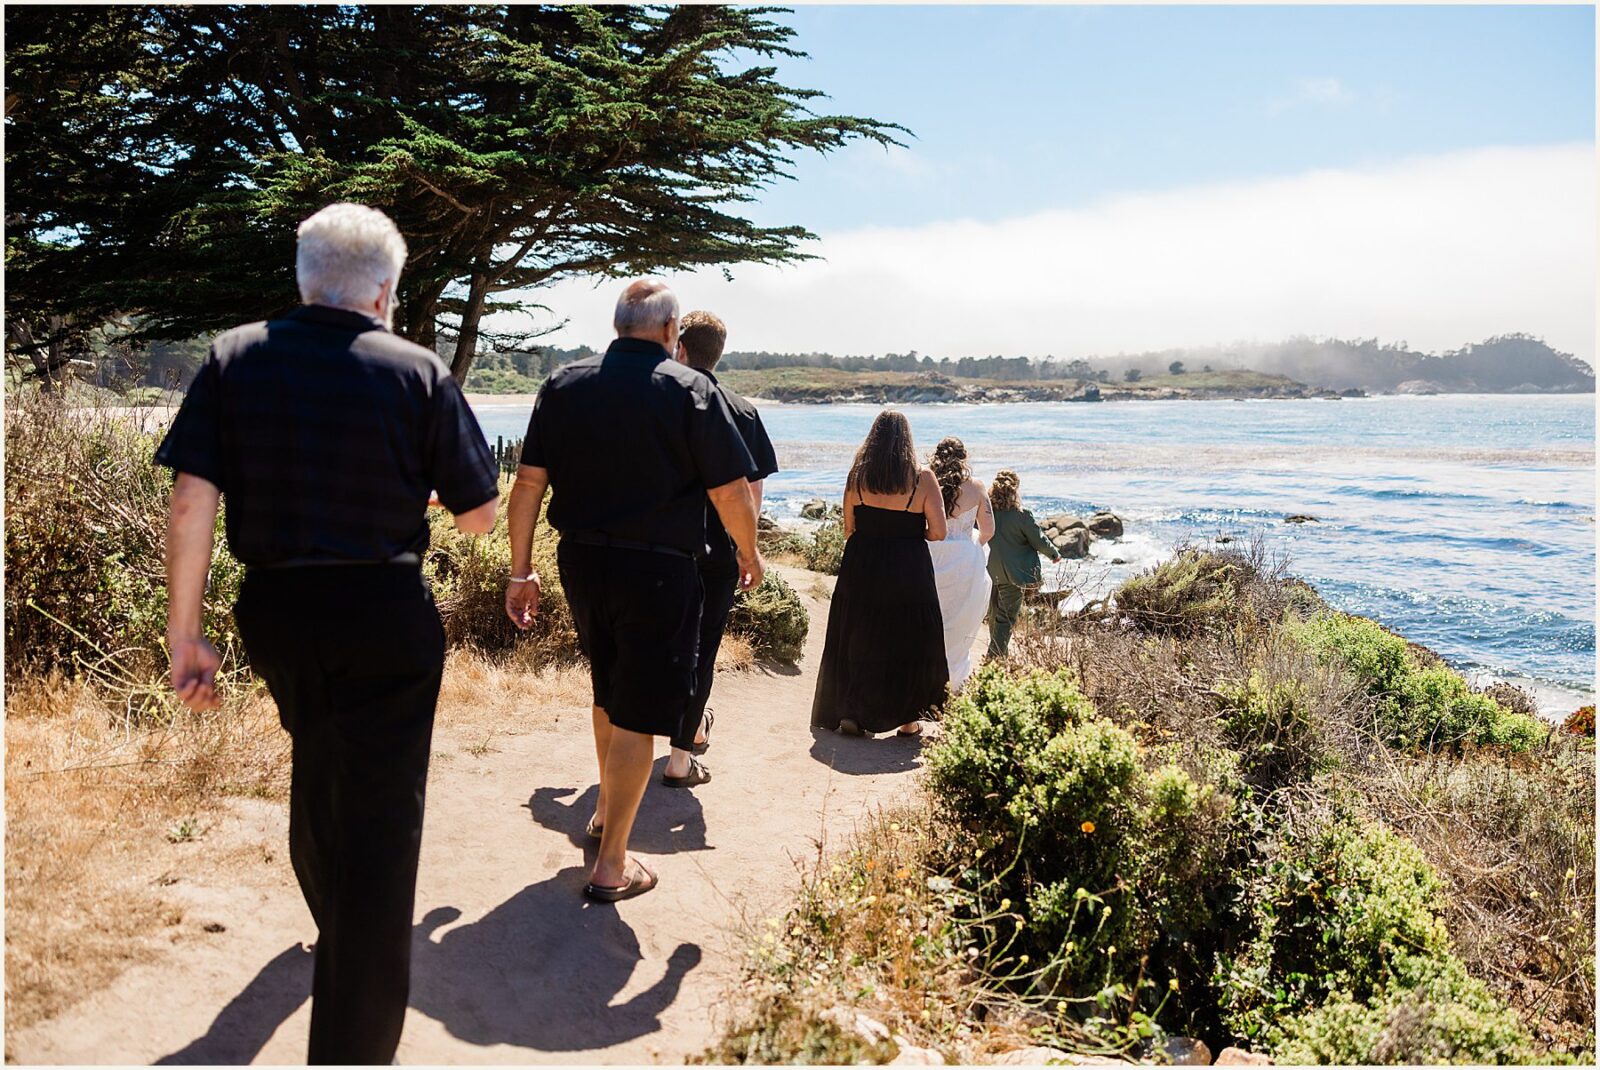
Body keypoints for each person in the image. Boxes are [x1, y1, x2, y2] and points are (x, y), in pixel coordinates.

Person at [157, 203, 501, 1065]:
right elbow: (480, 520)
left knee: (319, 754)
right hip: (383, 613)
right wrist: (416, 493)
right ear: (384, 290)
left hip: (276, 612)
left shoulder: (234, 357)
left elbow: (192, 499)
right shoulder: (416, 370)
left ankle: (328, 913)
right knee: (384, 829)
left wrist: (184, 634)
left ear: (304, 278)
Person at [503, 279, 764, 903]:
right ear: (671, 332)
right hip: (659, 569)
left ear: (618, 326)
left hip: (582, 562)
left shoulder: (564, 384)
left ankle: (602, 816)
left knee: (607, 688)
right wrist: (749, 552)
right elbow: (731, 492)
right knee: (640, 711)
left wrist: (520, 570)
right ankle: (612, 865)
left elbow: (527, 486)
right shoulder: (693, 391)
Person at [662, 310, 779, 788]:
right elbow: (752, 493)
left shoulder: (659, 401)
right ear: (719, 353)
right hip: (718, 552)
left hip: (659, 546)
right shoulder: (743, 410)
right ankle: (679, 757)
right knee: (702, 649)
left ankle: (642, 744)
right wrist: (747, 549)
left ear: (680, 348)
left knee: (658, 645)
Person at [810, 410, 948, 738]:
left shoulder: (857, 475)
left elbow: (848, 528)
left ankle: (852, 713)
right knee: (909, 638)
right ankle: (908, 720)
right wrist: (911, 535)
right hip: (908, 564)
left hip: (863, 562)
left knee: (859, 636)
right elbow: (939, 532)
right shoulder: (922, 478)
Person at [925, 437, 994, 688]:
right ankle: (953, 683)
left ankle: (924, 681)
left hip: (930, 556)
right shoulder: (976, 487)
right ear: (964, 458)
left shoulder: (926, 483)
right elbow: (988, 530)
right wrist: (972, 544)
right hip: (964, 563)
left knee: (930, 621)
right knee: (958, 622)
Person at [985, 468, 1062, 657]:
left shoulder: (985, 514)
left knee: (994, 615)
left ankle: (998, 654)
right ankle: (994, 658)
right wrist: (1054, 554)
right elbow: (1038, 539)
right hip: (1014, 575)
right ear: (1015, 490)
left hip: (987, 570)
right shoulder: (1022, 515)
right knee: (1006, 618)